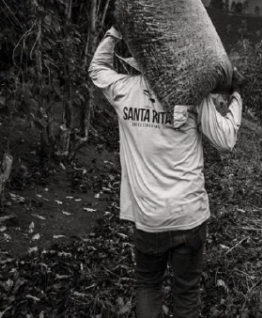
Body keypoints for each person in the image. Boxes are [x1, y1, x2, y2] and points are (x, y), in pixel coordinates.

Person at [88, 26, 243, 318]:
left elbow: (97, 68)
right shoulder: (193, 94)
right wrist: (236, 97)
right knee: (186, 293)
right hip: (189, 216)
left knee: (148, 285)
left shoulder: (124, 91)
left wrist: (116, 31)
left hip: (149, 220)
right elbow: (226, 141)